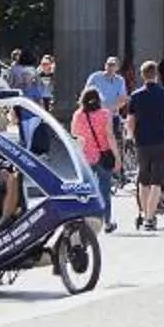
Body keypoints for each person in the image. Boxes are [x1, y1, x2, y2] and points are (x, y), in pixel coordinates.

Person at [123, 57, 164, 231]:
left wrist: (131, 137)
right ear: (157, 75)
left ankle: (145, 212)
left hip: (142, 143)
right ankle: (149, 217)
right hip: (162, 141)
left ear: (142, 75)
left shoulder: (136, 96)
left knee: (143, 180)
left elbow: (130, 122)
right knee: (157, 181)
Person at [72, 84, 118, 223]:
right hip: (103, 154)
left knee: (86, 189)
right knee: (104, 189)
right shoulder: (105, 114)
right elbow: (109, 135)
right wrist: (117, 156)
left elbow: (74, 134)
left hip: (84, 156)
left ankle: (86, 218)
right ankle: (107, 220)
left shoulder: (78, 115)